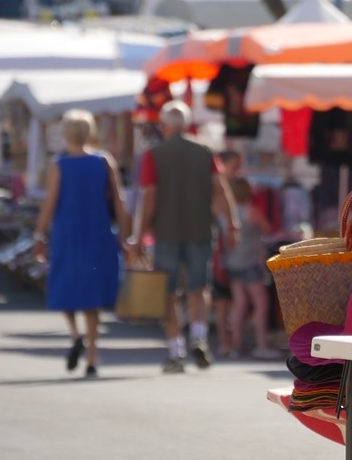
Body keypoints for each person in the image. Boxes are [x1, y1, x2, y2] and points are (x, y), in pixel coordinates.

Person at [133, 100, 238, 374]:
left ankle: (176, 352)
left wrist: (138, 234)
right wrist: (232, 225)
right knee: (197, 289)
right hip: (200, 229)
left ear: (164, 125)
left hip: (166, 232)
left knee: (168, 294)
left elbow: (150, 197)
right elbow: (220, 190)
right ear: (187, 124)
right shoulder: (204, 152)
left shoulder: (154, 154)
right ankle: (199, 338)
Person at [33, 110, 129, 378]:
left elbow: (50, 203)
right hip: (97, 231)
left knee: (64, 284)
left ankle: (75, 335)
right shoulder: (103, 161)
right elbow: (119, 199)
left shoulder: (59, 164)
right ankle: (92, 356)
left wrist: (39, 235)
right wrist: (126, 233)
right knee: (92, 296)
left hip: (68, 233)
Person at [224, 176, 280, 360]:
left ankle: (235, 345)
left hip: (233, 261)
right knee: (261, 304)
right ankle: (261, 344)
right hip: (250, 262)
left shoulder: (228, 213)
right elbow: (268, 228)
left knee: (239, 304)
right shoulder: (251, 211)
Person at [212, 149, 243, 356]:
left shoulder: (236, 187)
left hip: (234, 254)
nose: (237, 170)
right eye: (234, 165)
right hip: (220, 252)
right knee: (223, 299)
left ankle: (232, 341)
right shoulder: (217, 189)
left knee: (234, 299)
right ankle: (224, 341)